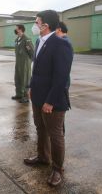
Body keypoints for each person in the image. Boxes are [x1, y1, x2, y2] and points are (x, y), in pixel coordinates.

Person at [24, 10, 73, 187]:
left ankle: (57, 169)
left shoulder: (61, 44)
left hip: (53, 100)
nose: (34, 25)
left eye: (37, 22)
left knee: (55, 135)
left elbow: (61, 77)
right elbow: (36, 69)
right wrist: (31, 87)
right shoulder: (39, 41)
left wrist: (50, 101)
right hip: (37, 95)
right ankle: (43, 157)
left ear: (46, 26)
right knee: (40, 128)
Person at [12, 24, 34, 103]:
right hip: (18, 62)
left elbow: (32, 52)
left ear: (20, 29)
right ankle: (19, 94)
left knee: (25, 79)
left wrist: (29, 62)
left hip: (25, 63)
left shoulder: (27, 39)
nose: (15, 30)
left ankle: (26, 96)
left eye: (16, 29)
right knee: (17, 78)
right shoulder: (17, 39)